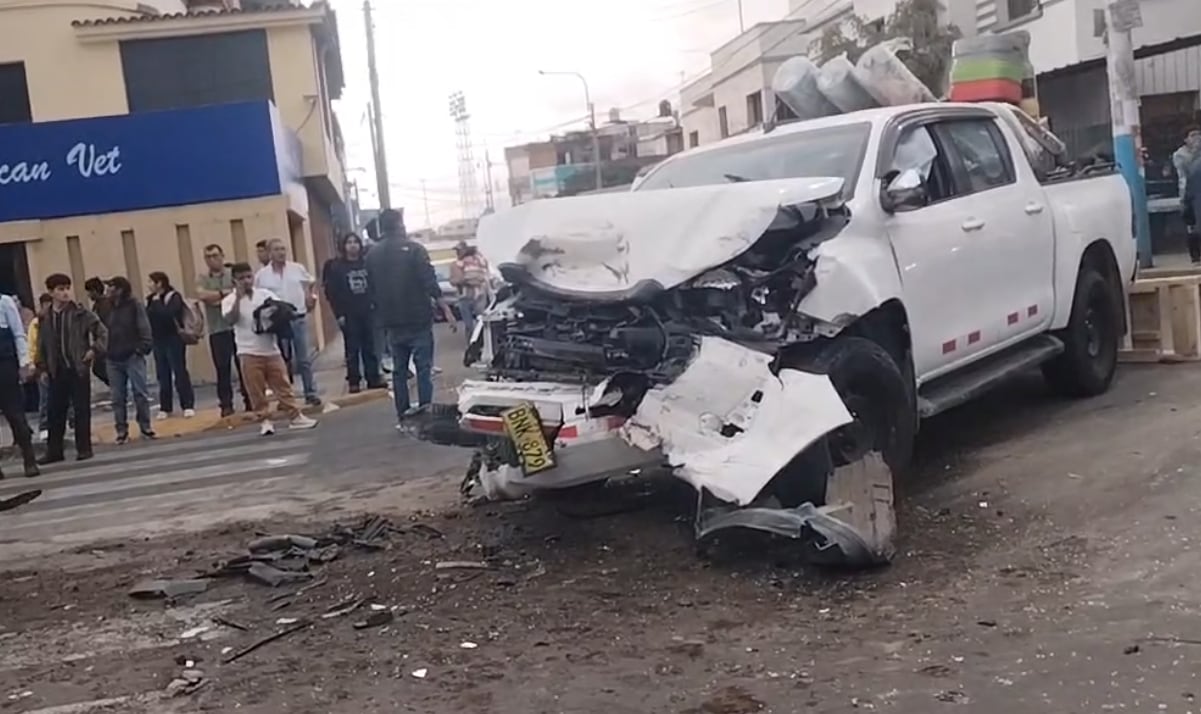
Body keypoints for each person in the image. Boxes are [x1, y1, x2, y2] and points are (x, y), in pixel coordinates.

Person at [366, 208, 456, 424]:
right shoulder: (415, 250)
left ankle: (403, 414)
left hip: (391, 321)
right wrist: (446, 309)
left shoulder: (372, 255)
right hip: (418, 318)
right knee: (423, 368)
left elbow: (371, 289)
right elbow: (429, 281)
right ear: (400, 224)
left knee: (399, 371)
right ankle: (425, 413)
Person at [222, 262, 317, 435]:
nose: (246, 281)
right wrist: (238, 297)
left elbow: (283, 310)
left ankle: (295, 416)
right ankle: (264, 420)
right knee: (256, 390)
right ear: (234, 281)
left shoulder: (264, 295)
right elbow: (231, 319)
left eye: (249, 277)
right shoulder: (229, 300)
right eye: (241, 278)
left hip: (271, 349)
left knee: (283, 385)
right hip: (247, 351)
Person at [37, 273, 106, 464]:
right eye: (60, 289)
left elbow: (102, 332)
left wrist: (93, 350)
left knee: (81, 408)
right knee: (55, 411)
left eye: (67, 288)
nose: (65, 293)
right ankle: (54, 451)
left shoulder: (80, 314)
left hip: (77, 367)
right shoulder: (45, 316)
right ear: (51, 292)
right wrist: (41, 367)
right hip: (56, 369)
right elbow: (42, 343)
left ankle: (84, 448)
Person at [255, 239, 321, 406]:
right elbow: (257, 296)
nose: (281, 252)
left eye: (283, 249)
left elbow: (311, 282)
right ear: (270, 253)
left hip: (297, 317)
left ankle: (310, 393)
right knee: (282, 362)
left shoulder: (297, 269)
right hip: (277, 323)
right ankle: (285, 397)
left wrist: (310, 297)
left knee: (304, 359)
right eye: (277, 249)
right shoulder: (262, 275)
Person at [323, 232, 384, 393]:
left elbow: (375, 285)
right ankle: (354, 381)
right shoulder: (336, 267)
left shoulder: (366, 264)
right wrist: (339, 314)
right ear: (343, 246)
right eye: (349, 242)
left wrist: (375, 304)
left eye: (355, 242)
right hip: (349, 314)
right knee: (352, 349)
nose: (352, 245)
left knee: (370, 347)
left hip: (367, 311)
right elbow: (332, 293)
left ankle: (373, 378)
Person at [196, 244, 251, 417]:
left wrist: (217, 297)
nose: (213, 259)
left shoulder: (231, 274)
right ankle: (226, 405)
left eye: (215, 255)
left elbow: (239, 293)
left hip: (236, 327)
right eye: (209, 256)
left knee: (243, 366)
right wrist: (224, 294)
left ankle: (249, 400)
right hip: (217, 330)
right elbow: (202, 296)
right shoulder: (203, 278)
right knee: (222, 369)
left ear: (222, 255)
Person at [103, 277, 156, 444]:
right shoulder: (107, 307)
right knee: (117, 397)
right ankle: (121, 430)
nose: (108, 290)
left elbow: (144, 326)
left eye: (111, 286)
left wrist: (142, 347)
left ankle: (145, 427)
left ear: (120, 289)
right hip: (112, 357)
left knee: (140, 393)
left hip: (132, 355)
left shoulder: (134, 305)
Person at [145, 271, 196, 419]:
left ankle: (187, 404)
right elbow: (148, 317)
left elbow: (169, 314)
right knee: (162, 374)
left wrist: (156, 303)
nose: (149, 285)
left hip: (174, 338)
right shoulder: (150, 299)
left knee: (179, 371)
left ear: (159, 283)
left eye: (151, 282)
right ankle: (165, 407)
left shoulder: (173, 296)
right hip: (158, 339)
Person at [0, 292, 38, 477]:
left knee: (15, 414)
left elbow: (18, 334)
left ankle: (29, 459)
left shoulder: (4, 302)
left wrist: (24, 362)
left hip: (4, 365)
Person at [449, 241, 492, 336]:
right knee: (472, 324)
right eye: (457, 251)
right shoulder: (456, 264)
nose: (458, 253)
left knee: (479, 322)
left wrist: (467, 280)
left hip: (476, 295)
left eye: (459, 250)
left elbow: (484, 275)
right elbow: (453, 280)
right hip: (467, 296)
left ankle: (480, 342)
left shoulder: (476, 261)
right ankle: (473, 343)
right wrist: (465, 280)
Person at [1174, 127, 1201, 263]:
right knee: (1191, 225)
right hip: (1187, 191)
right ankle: (1195, 255)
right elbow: (1187, 171)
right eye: (1193, 135)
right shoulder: (1180, 155)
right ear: (1186, 139)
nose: (1197, 138)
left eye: (1198, 134)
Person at [83, 277, 112, 386]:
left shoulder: (105, 305)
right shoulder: (97, 305)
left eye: (89, 292)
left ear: (95, 291)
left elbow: (105, 324)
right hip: (100, 341)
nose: (88, 295)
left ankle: (116, 385)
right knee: (98, 368)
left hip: (105, 342)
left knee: (100, 368)